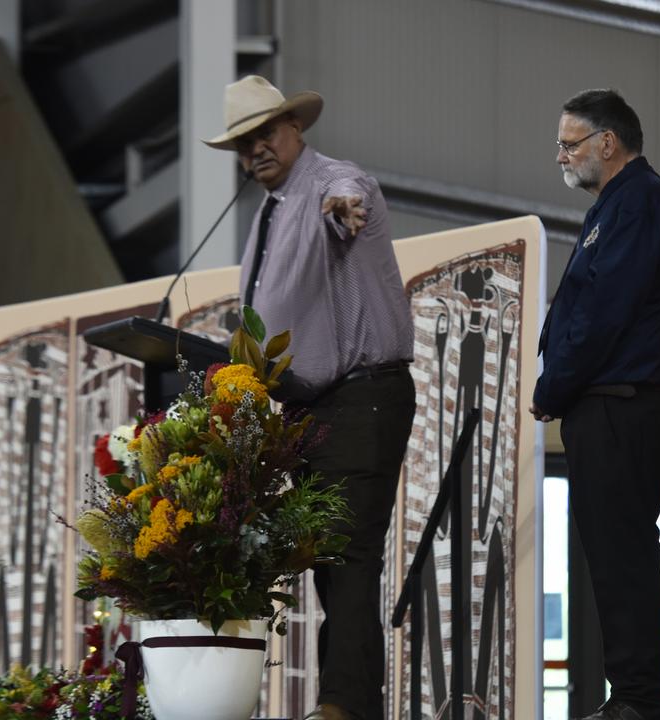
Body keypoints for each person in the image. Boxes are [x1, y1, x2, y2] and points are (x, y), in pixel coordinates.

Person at [204, 75, 415, 720]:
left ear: (296, 127)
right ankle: (349, 702)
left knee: (347, 556)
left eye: (264, 134)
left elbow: (343, 195)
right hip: (313, 409)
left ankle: (342, 706)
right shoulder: (269, 211)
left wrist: (344, 209)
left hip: (359, 398)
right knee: (332, 561)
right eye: (243, 144)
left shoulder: (329, 182)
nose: (255, 152)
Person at [531, 89, 660, 720]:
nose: (562, 157)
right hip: (607, 407)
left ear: (608, 142)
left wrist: (552, 387)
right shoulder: (615, 207)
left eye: (570, 144)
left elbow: (602, 314)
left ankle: (640, 701)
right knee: (612, 556)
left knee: (623, 555)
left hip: (623, 406)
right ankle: (629, 695)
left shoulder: (641, 203)